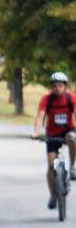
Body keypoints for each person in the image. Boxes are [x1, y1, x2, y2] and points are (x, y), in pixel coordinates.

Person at [30, 72, 76, 209]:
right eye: (54, 85)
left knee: (73, 139)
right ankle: (53, 196)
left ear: (65, 86)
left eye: (60, 85)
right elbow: (40, 116)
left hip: (68, 130)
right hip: (52, 133)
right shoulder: (47, 99)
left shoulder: (71, 98)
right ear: (51, 87)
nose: (57, 88)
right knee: (51, 165)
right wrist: (36, 132)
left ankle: (72, 167)